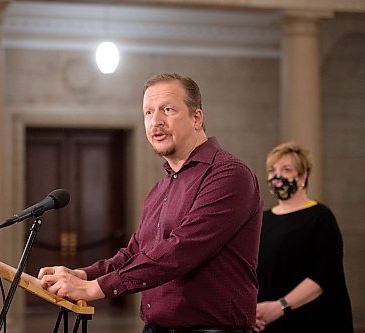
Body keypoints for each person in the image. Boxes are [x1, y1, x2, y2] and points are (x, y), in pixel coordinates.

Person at [39, 73, 263, 333]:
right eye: (148, 112)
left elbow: (181, 250)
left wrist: (96, 288)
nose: (156, 121)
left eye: (167, 110)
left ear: (196, 118)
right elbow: (134, 253)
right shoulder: (161, 188)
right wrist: (84, 274)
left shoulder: (228, 174)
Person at [255, 142, 353, 332]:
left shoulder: (320, 217)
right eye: (272, 170)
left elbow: (324, 275)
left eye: (286, 169)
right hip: (266, 323)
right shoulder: (261, 219)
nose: (276, 176)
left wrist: (280, 306)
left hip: (309, 320)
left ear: (303, 176)